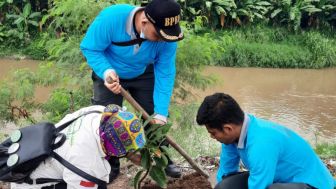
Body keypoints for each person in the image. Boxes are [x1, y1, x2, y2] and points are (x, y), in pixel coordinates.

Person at [80, 0, 183, 179]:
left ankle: (163, 160)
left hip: (143, 73)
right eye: (158, 35)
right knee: (107, 119)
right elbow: (90, 47)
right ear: (144, 22)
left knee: (153, 117)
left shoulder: (168, 38)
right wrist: (106, 71)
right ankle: (110, 165)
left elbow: (165, 73)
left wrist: (161, 113)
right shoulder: (111, 18)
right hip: (110, 73)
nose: (162, 40)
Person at [196, 93, 336, 189]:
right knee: (225, 186)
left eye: (213, 133)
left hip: (312, 184)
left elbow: (258, 186)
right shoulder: (233, 136)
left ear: (227, 129)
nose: (212, 137)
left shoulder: (261, 143)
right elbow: (225, 173)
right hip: (278, 178)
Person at [11, 104, 145, 189]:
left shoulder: (97, 112)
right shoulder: (88, 164)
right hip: (29, 184)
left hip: (33, 158)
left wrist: (130, 153)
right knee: (98, 184)